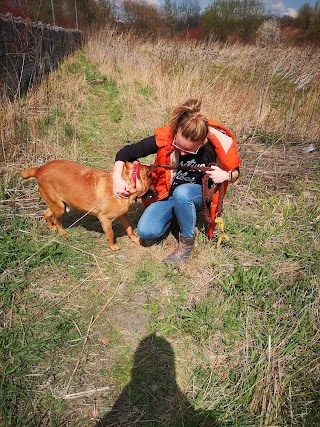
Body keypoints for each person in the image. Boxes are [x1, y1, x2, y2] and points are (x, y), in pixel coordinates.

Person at [112, 98, 241, 263]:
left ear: (203, 142)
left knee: (183, 192)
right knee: (145, 232)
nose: (183, 153)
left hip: (197, 196)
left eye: (189, 150)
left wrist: (226, 176)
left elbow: (236, 172)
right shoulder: (167, 138)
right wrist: (116, 177)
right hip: (169, 197)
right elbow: (126, 152)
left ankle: (186, 243)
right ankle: (178, 217)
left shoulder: (213, 148)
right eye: (179, 147)